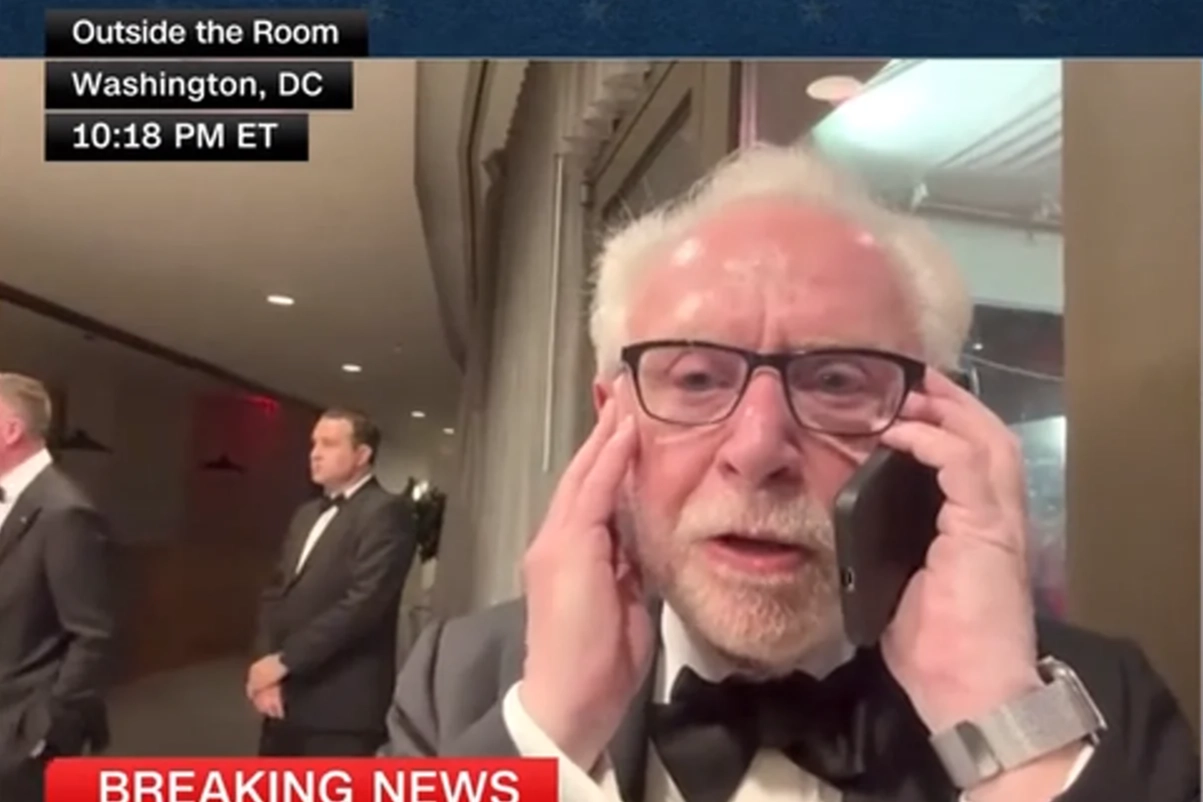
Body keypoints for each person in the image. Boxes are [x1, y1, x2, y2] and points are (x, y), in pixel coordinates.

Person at [381, 146, 1199, 801]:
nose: (757, 448)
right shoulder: (463, 680)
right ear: (611, 422)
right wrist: (550, 735)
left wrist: (1008, 734)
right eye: (695, 378)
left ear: (937, 426)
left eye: (836, 381)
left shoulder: (1098, 704)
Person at [250, 408, 415, 756]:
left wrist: (285, 661)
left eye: (329, 444)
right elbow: (276, 593)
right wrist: (266, 669)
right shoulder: (306, 514)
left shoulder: (387, 512)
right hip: (282, 698)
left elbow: (364, 604)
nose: (315, 453)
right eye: (314, 443)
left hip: (341, 707)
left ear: (362, 454)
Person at [0, 373, 116, 801]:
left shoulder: (65, 512)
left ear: (11, 430)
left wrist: (45, 730)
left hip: (19, 734)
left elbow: (93, 634)